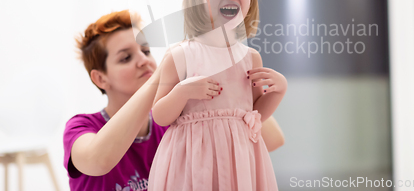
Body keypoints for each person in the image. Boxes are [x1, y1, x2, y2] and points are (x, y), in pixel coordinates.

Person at [64, 11, 284, 190]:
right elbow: (97, 161)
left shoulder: (177, 119)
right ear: (100, 78)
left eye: (146, 50)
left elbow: (273, 140)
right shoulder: (81, 126)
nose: (143, 60)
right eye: (126, 58)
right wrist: (165, 72)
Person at [149, 0, 287, 190]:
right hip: (192, 162)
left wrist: (278, 91)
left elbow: (255, 117)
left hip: (240, 161)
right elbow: (160, 116)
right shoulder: (181, 54)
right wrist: (183, 92)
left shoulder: (250, 58)